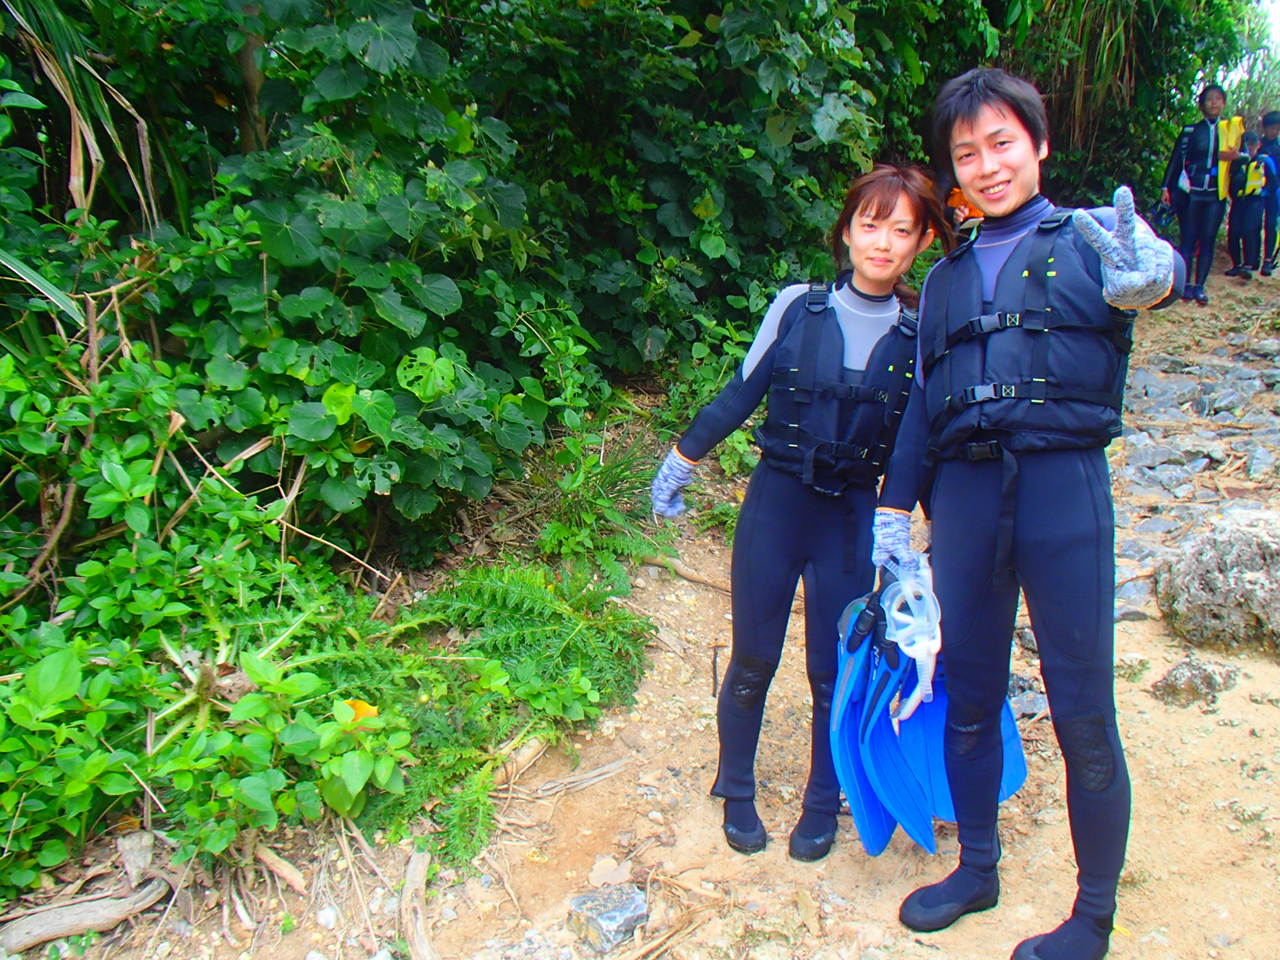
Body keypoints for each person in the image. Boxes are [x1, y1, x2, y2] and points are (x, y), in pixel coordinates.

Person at [872, 68, 1184, 960]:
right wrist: (893, 513)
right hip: (966, 502)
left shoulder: (1091, 241)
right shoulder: (944, 279)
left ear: (1039, 144)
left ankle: (1093, 916)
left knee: (1082, 711)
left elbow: (1152, 276)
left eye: (1002, 143)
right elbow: (924, 406)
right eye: (966, 153)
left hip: (1062, 492)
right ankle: (977, 869)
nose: (988, 165)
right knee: (968, 696)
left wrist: (1154, 274)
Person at [650, 164, 952, 862]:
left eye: (901, 230)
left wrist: (926, 532)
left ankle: (823, 800)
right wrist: (682, 457)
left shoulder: (919, 337)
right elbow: (742, 391)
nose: (882, 242)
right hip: (776, 505)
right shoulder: (796, 307)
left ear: (922, 243)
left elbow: (918, 445)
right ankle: (736, 788)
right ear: (846, 231)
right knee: (754, 657)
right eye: (870, 225)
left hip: (852, 518)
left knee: (832, 671)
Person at [1162, 83, 1244, 304]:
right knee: (1188, 239)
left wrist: (1237, 157)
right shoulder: (1191, 131)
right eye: (1209, 99)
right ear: (1202, 105)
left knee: (1207, 239)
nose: (1213, 102)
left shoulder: (1231, 133)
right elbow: (1176, 160)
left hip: (1216, 194)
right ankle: (1184, 285)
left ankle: (1199, 286)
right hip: (1191, 193)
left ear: (1224, 103)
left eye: (1218, 98)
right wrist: (1165, 188)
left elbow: (1244, 159)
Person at [1225, 132, 1278, 280]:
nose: (1249, 148)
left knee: (1250, 230)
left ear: (1258, 145)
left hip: (1255, 201)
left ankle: (1249, 264)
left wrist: (1262, 193)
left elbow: (1273, 183)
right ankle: (1237, 264)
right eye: (1246, 145)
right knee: (1234, 232)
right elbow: (1230, 180)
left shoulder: (1264, 161)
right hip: (1239, 201)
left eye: (1252, 145)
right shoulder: (1237, 162)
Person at [1260, 110, 1280, 275]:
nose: (1274, 131)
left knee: (1271, 225)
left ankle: (1268, 260)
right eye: (1272, 128)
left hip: (1275, 192)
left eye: (1277, 128)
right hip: (1257, 191)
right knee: (1254, 225)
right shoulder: (1258, 145)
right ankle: (1252, 259)